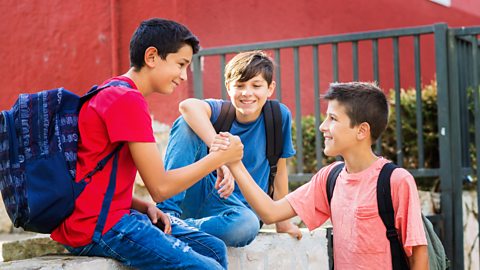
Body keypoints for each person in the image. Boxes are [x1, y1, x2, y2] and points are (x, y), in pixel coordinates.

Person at [51, 18, 243, 270]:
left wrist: (142, 206)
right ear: (152, 56)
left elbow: (95, 174)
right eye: (181, 64)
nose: (184, 76)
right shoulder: (127, 100)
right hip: (99, 227)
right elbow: (161, 188)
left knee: (213, 248)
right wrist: (218, 158)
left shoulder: (110, 90)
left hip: (110, 216)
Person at [216, 82, 429, 269]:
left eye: (333, 118)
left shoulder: (396, 181)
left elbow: (418, 253)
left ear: (362, 130)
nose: (322, 126)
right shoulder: (330, 178)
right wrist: (235, 163)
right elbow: (271, 212)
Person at [156, 50, 302, 247]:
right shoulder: (221, 111)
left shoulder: (277, 117)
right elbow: (188, 106)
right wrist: (219, 158)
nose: (247, 93)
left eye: (256, 85)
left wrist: (283, 222)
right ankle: (167, 214)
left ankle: (178, 229)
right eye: (240, 86)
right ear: (228, 87)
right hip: (201, 190)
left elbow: (279, 171)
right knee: (186, 123)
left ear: (270, 89)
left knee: (247, 225)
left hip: (237, 212)